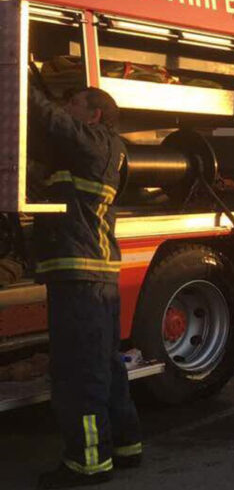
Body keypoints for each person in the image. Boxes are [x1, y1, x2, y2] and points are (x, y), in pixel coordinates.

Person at [29, 86, 141, 489]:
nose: (65, 107)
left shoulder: (95, 143)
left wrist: (12, 73)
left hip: (81, 277)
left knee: (80, 373)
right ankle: (127, 445)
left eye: (73, 102)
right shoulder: (91, 150)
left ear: (94, 116)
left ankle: (87, 463)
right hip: (94, 276)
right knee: (106, 366)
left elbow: (48, 119)